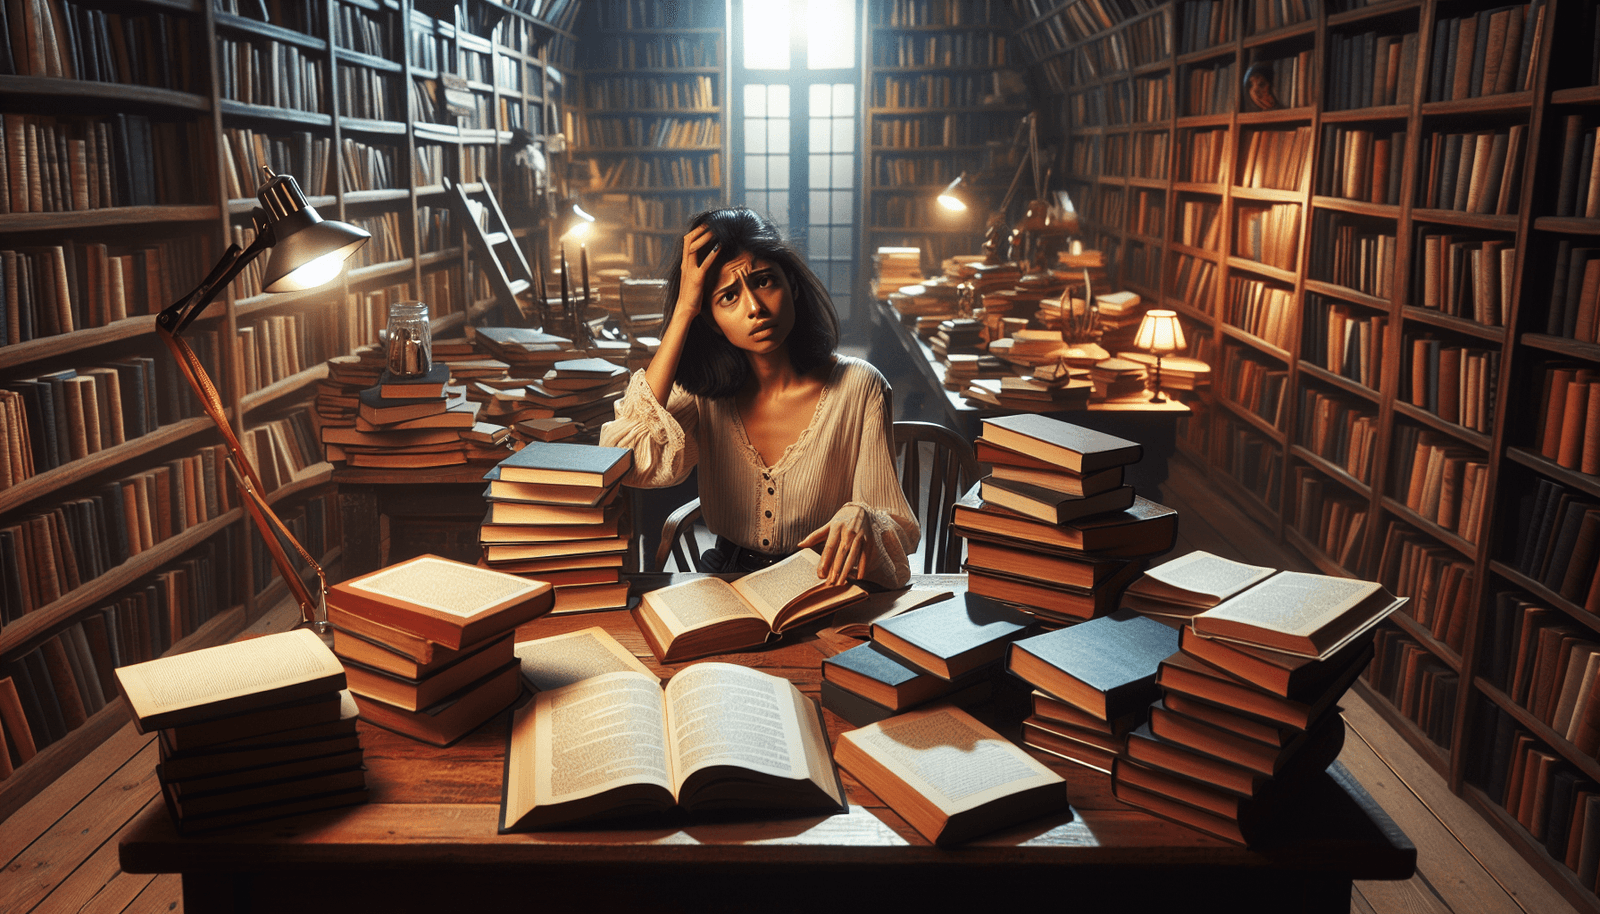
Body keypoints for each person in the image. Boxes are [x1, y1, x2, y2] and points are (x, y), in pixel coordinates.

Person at [599, 208, 918, 588]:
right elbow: (629, 462)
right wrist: (684, 309)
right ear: (710, 319)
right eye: (728, 297)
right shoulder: (703, 393)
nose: (755, 309)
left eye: (765, 281)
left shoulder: (860, 386)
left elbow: (898, 529)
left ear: (793, 286)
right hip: (726, 581)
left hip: (821, 583)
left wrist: (865, 516)